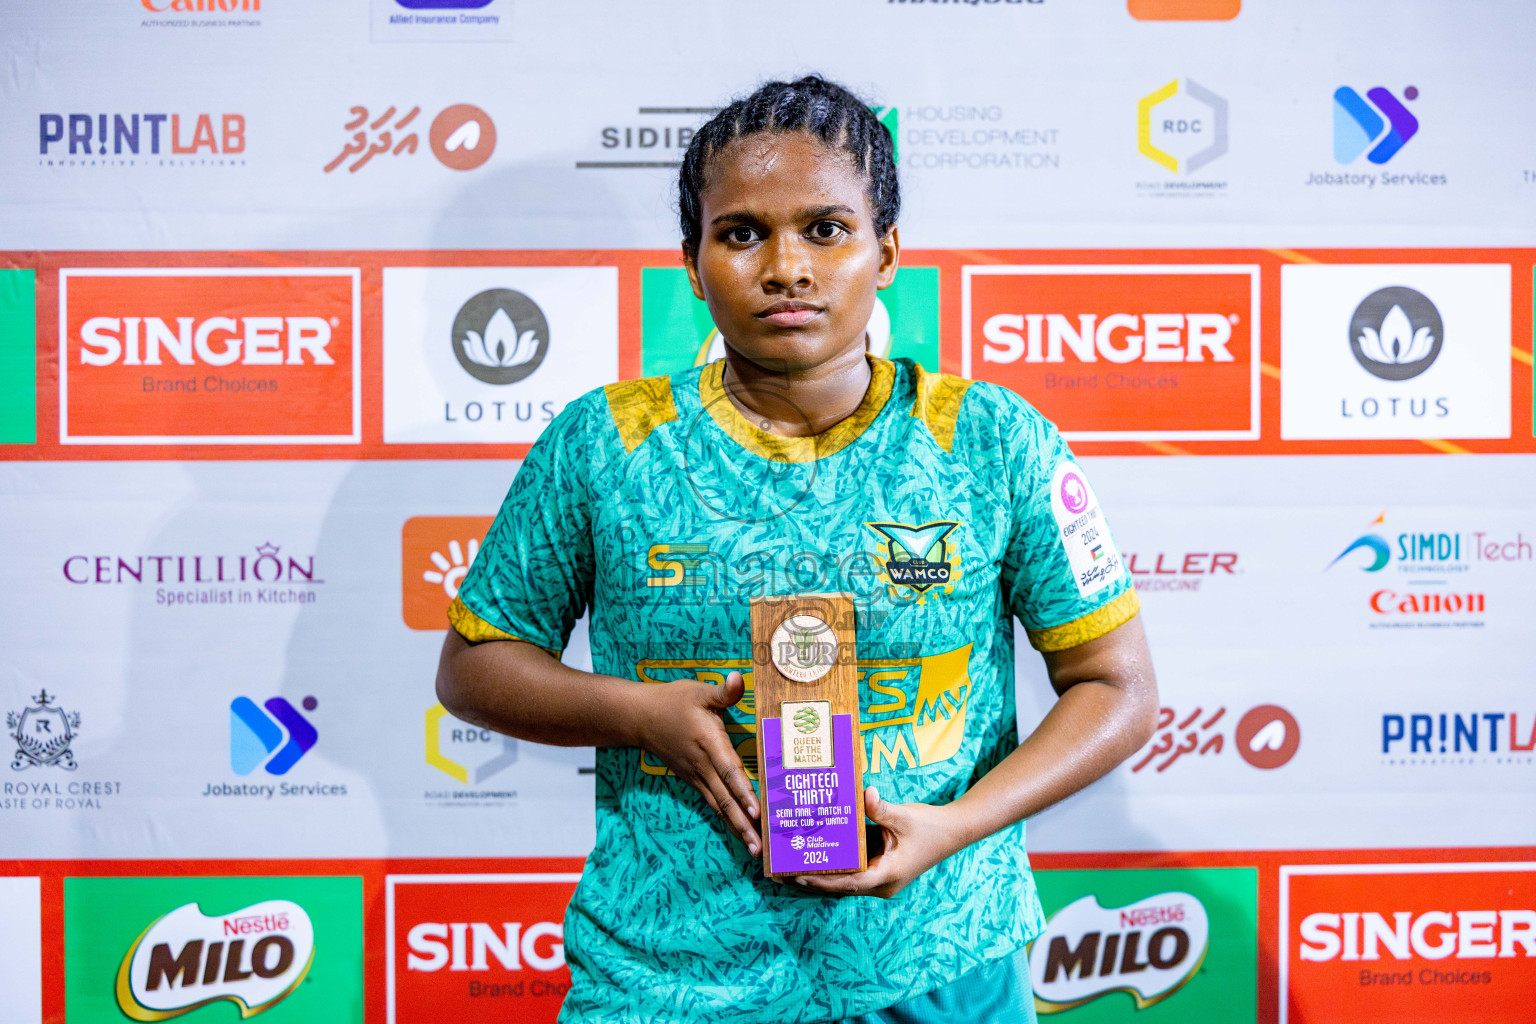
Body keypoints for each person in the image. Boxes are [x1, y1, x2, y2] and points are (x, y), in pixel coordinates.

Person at [436, 75, 1158, 1024]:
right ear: (692, 265)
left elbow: (1118, 687)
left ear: (886, 251)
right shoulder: (607, 444)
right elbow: (476, 665)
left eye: (826, 229)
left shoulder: (989, 439)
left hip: (936, 957)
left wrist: (953, 827)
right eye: (741, 233)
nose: (787, 267)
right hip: (671, 971)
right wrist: (639, 713)